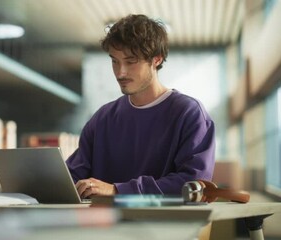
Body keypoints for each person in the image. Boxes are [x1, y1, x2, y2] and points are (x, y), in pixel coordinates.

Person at [66, 14, 215, 199]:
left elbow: (194, 184)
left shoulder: (189, 114)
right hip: (104, 225)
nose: (120, 72)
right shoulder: (103, 118)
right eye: (114, 61)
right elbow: (71, 176)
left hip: (166, 225)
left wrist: (118, 190)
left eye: (130, 61)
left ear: (156, 60)